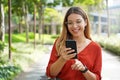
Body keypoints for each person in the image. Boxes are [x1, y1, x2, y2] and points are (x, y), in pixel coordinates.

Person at [46, 6, 102, 80]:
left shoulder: (95, 48)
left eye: (78, 21)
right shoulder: (60, 43)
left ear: (85, 22)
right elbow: (50, 73)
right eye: (70, 23)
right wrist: (63, 58)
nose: (74, 26)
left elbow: (97, 78)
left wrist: (84, 69)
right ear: (66, 25)